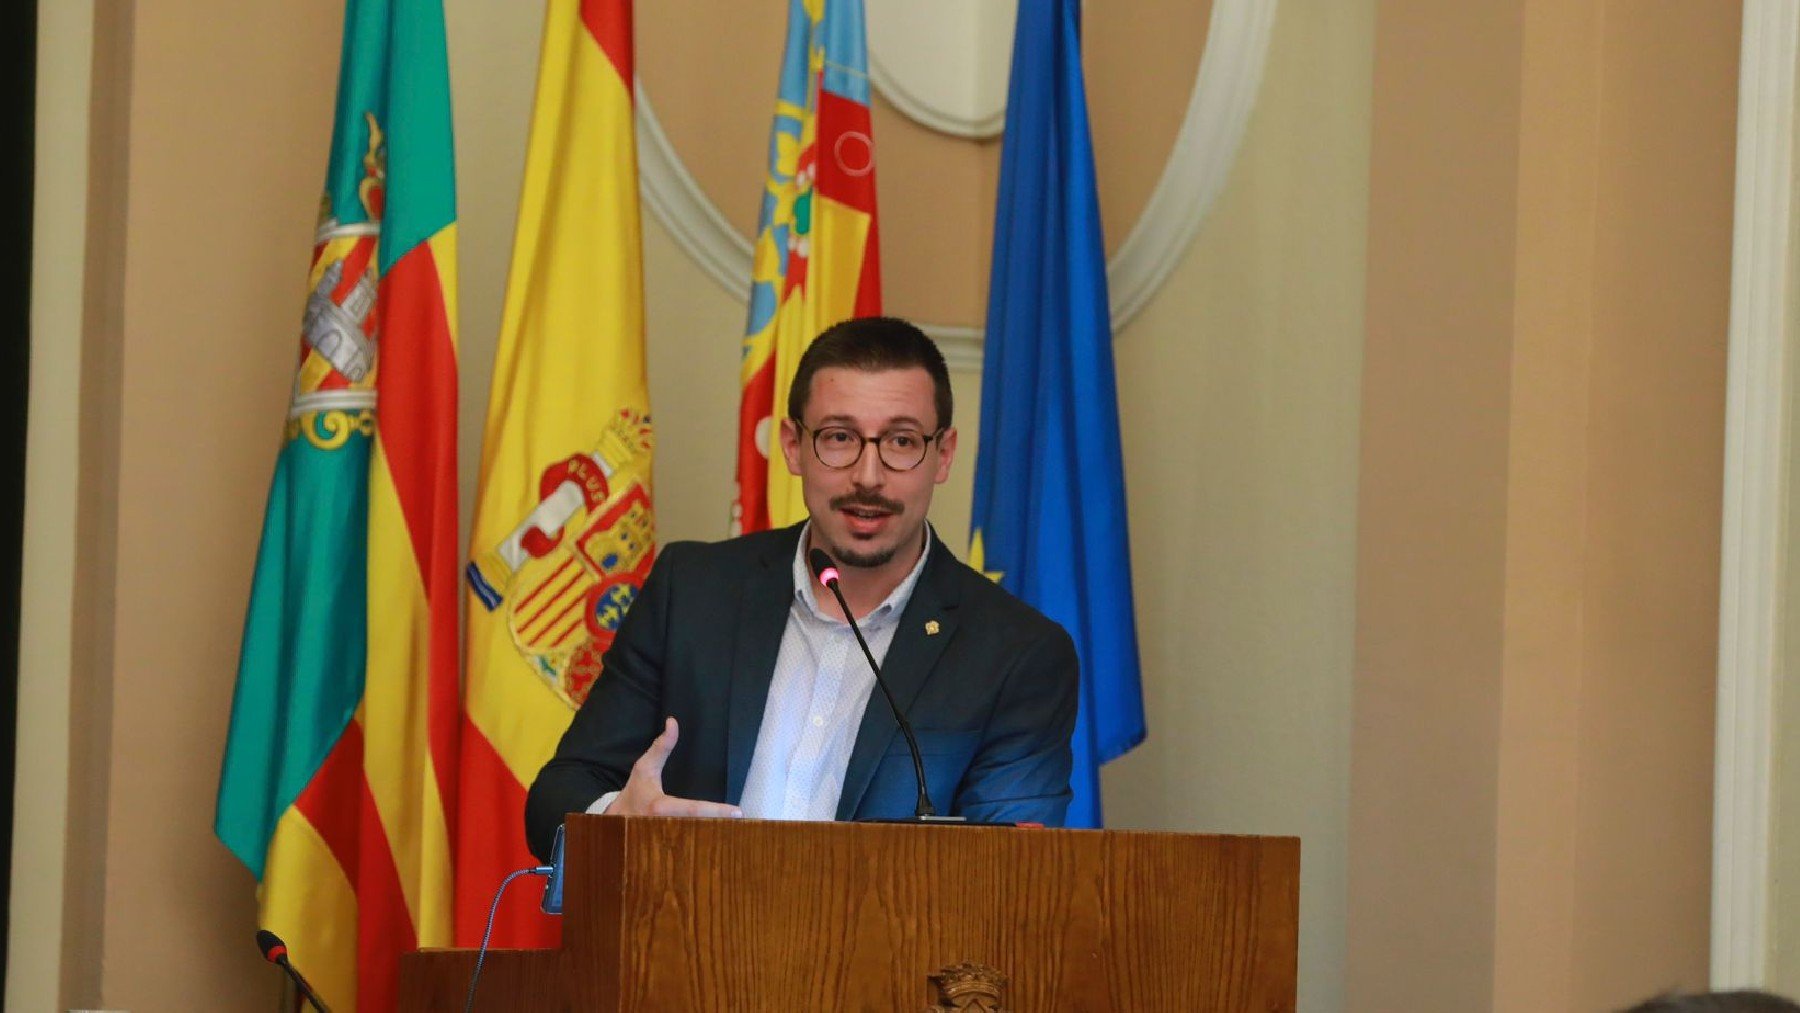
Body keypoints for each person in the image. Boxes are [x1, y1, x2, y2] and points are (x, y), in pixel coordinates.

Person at [524, 316, 1080, 860]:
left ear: (945, 454)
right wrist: (615, 821)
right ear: (793, 445)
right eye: (838, 438)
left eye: (902, 441)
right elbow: (560, 790)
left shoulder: (1016, 655)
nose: (868, 475)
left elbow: (1010, 881)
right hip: (682, 944)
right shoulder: (693, 592)